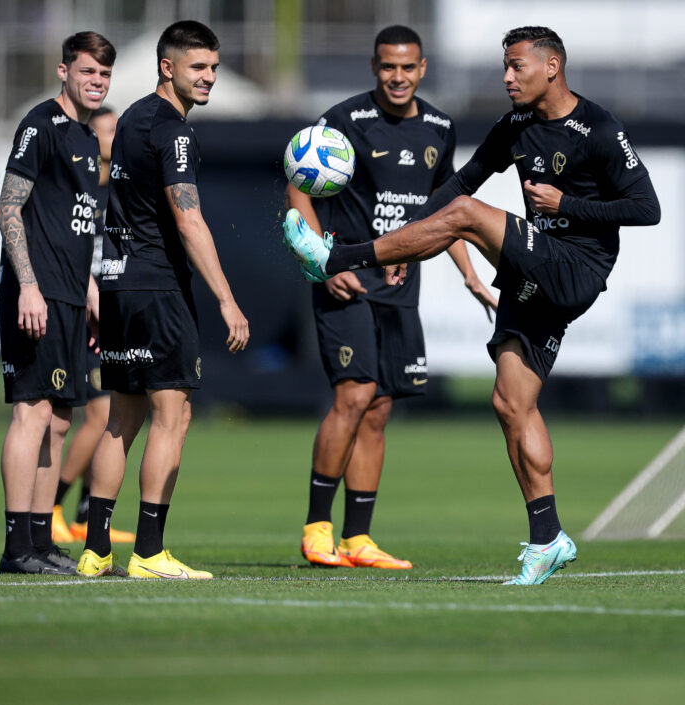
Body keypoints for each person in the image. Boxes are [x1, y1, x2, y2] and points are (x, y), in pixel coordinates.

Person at [284, 26, 660, 584]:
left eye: (517, 67)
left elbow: (646, 207)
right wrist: (407, 241)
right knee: (511, 402)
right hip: (536, 272)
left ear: (552, 67)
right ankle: (547, 538)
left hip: (577, 265)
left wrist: (567, 203)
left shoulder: (597, 128)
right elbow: (460, 181)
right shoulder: (514, 126)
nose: (506, 77)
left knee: (467, 216)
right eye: (504, 67)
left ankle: (338, 257)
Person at [286, 26, 497, 570]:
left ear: (422, 68)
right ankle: (316, 529)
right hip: (347, 281)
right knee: (354, 396)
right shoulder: (343, 121)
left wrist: (473, 277)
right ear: (374, 67)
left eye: (407, 68)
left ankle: (359, 540)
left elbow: (446, 212)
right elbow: (297, 188)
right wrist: (320, 263)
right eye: (387, 67)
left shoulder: (439, 128)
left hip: (402, 290)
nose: (397, 78)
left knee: (379, 411)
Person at [75, 20, 249, 580]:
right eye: (199, 68)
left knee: (120, 421)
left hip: (119, 283)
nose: (210, 78)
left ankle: (96, 549)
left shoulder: (128, 120)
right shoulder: (174, 131)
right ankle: (149, 551)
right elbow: (189, 218)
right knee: (173, 416)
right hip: (157, 288)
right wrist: (226, 298)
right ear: (166, 67)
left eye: (215, 69)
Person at [0, 31, 116, 574]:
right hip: (35, 294)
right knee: (33, 411)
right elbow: (8, 210)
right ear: (63, 71)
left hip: (69, 295)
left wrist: (88, 289)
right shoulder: (40, 125)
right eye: (88, 72)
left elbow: (75, 227)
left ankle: (42, 541)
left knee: (62, 421)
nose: (97, 82)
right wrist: (27, 285)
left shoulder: (91, 142)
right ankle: (16, 546)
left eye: (104, 75)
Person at [51, 106, 135, 546]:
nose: (116, 134)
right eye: (109, 128)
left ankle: (85, 513)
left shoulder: (118, 190)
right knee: (100, 414)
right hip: (84, 317)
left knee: (113, 413)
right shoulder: (78, 187)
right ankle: (51, 507)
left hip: (113, 317)